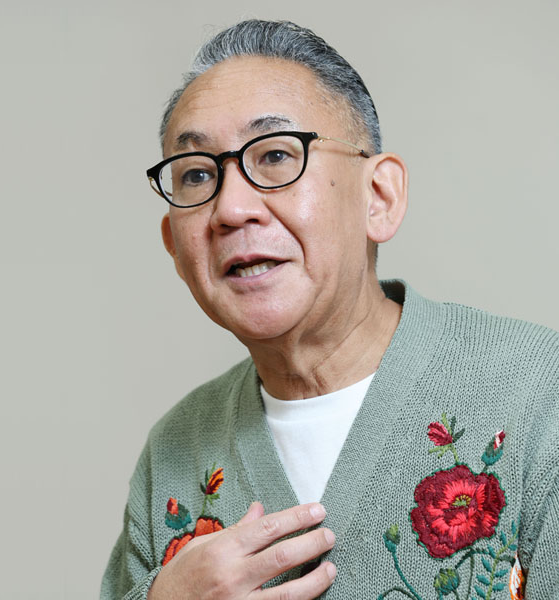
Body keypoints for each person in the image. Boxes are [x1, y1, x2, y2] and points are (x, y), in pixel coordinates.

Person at [101, 19, 559, 600]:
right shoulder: (174, 451)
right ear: (174, 245)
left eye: (275, 155)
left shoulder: (540, 393)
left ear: (379, 197)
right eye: (197, 174)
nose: (231, 209)